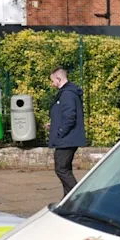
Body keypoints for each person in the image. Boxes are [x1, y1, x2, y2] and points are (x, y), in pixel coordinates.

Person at [48, 67, 86, 196]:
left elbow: (70, 116)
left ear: (58, 79)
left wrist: (60, 131)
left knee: (61, 169)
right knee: (65, 169)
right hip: (69, 138)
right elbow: (64, 115)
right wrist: (54, 124)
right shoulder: (69, 93)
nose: (52, 84)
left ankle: (77, 196)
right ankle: (68, 199)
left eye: (53, 81)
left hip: (67, 139)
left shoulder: (67, 94)